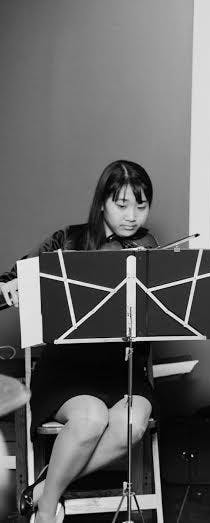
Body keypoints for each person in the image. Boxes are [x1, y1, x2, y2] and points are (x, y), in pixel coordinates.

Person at [0, 160, 158, 523]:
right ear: (102, 202)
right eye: (122, 204)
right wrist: (8, 288)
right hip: (67, 372)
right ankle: (47, 507)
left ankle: (38, 490)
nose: (132, 216)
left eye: (142, 205)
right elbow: (10, 279)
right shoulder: (66, 241)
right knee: (89, 419)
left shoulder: (149, 249)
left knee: (132, 423)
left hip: (123, 370)